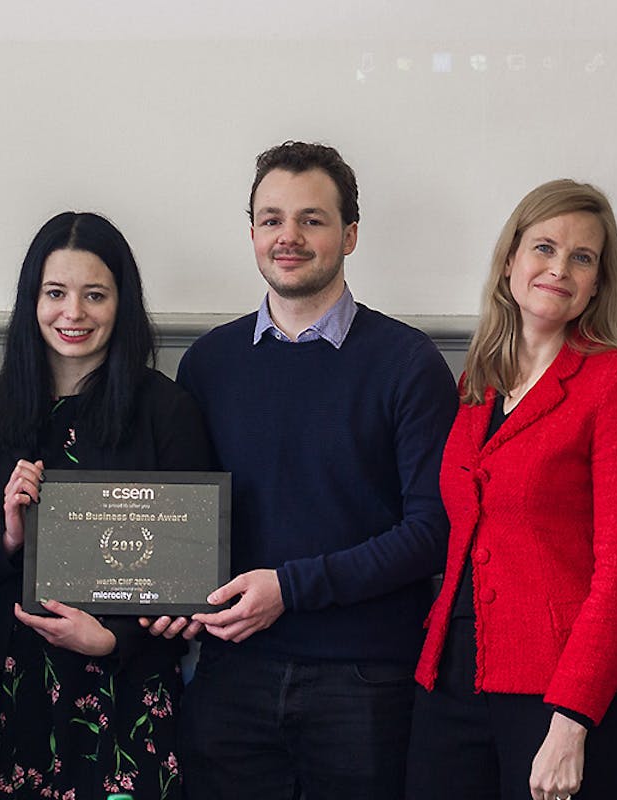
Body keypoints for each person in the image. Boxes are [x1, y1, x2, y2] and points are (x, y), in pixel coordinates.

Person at [163, 141, 459, 799]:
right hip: (230, 674)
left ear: (349, 234)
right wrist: (164, 594)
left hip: (365, 681)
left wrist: (291, 589)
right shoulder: (208, 364)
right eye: (271, 220)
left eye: (311, 219)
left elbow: (431, 529)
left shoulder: (407, 364)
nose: (287, 237)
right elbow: (184, 522)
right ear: (251, 233)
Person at [407, 180, 617, 800]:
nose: (559, 268)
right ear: (510, 262)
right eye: (544, 248)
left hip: (573, 695)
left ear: (600, 282)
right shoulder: (477, 381)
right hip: (454, 677)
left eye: (583, 257)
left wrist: (572, 720)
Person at [0, 211, 214, 799]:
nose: (73, 313)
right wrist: (9, 537)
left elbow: (189, 577)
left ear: (122, 303)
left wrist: (114, 639)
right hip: (8, 691)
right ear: (31, 301)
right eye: (55, 293)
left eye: (95, 295)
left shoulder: (168, 412)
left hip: (128, 692)